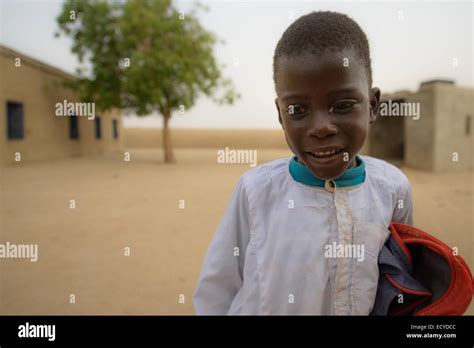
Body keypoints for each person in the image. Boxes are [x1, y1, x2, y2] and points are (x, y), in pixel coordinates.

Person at [193, 11, 413, 315]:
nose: (321, 127)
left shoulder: (393, 189)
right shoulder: (255, 192)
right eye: (297, 109)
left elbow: (402, 278)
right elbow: (217, 289)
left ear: (373, 105)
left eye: (343, 105)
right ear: (280, 114)